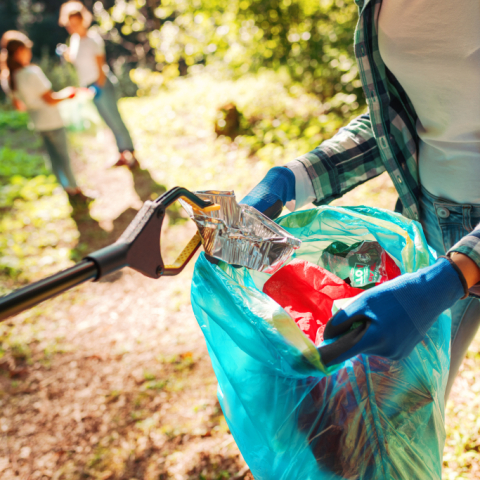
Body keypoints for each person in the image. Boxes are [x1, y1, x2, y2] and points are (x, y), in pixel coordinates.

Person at [241, 0, 480, 400]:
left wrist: (456, 273)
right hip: (429, 222)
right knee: (404, 402)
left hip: (464, 257)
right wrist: (293, 178)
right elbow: (398, 118)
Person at [0, 30, 89, 201]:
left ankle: (67, 189)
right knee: (64, 158)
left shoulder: (8, 78)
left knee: (54, 159)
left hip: (37, 123)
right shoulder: (31, 73)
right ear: (19, 52)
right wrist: (69, 93)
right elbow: (51, 99)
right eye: (27, 50)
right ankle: (76, 191)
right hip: (52, 121)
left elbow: (19, 106)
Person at [58, 1, 138, 170]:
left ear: (83, 20)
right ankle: (122, 153)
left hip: (101, 85)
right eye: (69, 24)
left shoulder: (92, 39)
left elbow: (100, 66)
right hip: (89, 87)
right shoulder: (74, 40)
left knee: (115, 119)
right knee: (107, 121)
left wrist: (98, 87)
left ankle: (132, 154)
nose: (72, 27)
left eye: (75, 23)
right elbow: (77, 60)